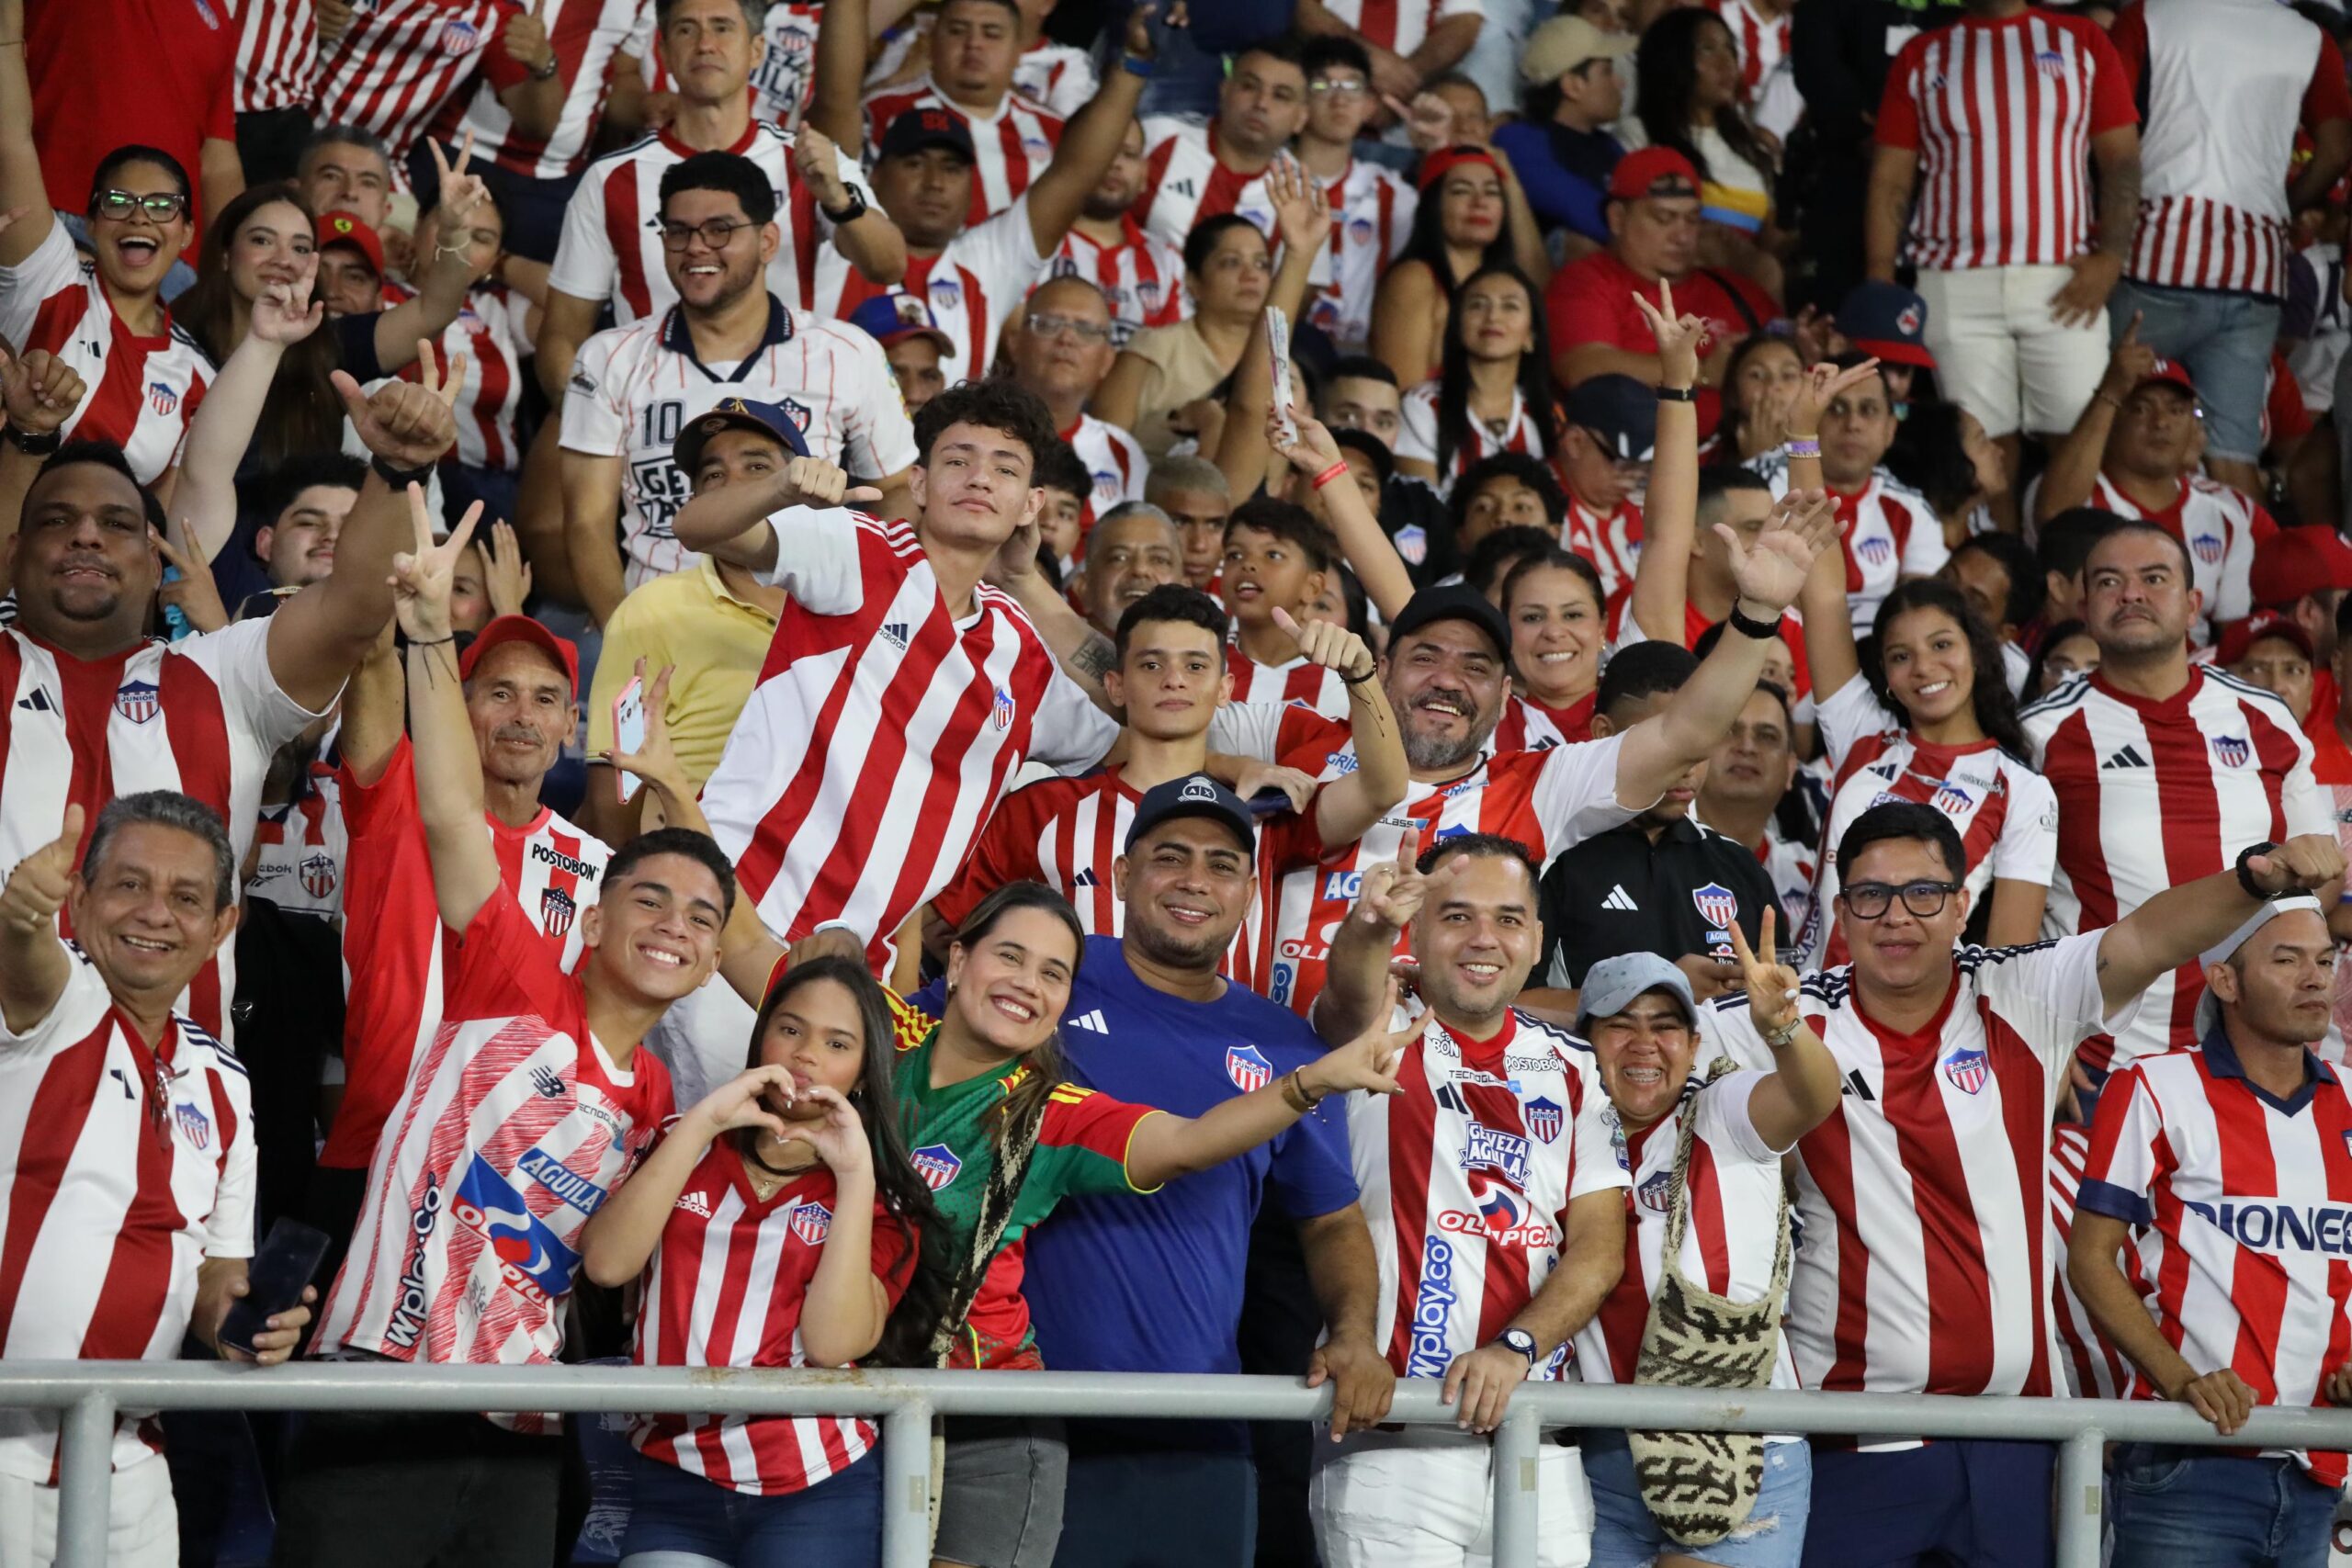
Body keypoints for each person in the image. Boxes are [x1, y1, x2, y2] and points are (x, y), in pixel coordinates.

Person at [280, 494, 735, 1568]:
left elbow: (615, 1264)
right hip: (387, 1364)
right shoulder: (515, 968)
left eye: (698, 922)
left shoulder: (658, 1097)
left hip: (522, 1410)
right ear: (593, 920)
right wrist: (431, 627)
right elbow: (445, 809)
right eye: (649, 906)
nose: (672, 929)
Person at [1707, 800, 2340, 1568]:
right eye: (1871, 895)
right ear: (1841, 911)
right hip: (1852, 1437)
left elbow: (2148, 936)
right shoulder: (1776, 1012)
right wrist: (1665, 982)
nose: (1897, 916)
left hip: (2015, 1439)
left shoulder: (2020, 989)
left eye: (1924, 893)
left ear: (1962, 904)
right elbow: (1631, 1041)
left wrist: (2253, 877)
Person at [0, 341, 456, 1040]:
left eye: (118, 523)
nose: (87, 534)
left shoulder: (220, 674)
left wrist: (394, 474)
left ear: (158, 563)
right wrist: (27, 438)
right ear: (14, 552)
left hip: (175, 1103)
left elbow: (355, 606)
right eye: (56, 521)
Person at [673, 380, 1120, 989]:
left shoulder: (1021, 652)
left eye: (1005, 468)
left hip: (857, 985)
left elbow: (1130, 709)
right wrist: (779, 488)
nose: (979, 478)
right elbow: (696, 526)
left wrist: (1026, 582)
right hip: (724, 919)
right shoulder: (860, 552)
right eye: (957, 460)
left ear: (1031, 504)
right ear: (917, 484)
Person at [0, 794, 314, 1568]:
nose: (155, 914)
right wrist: (18, 920)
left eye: (185, 897)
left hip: (133, 1466)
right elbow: (27, 969)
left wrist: (247, 1329)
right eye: (128, 885)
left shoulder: (226, 1082)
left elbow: (217, 1278)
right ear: (79, 899)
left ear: (220, 931)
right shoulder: (54, 1004)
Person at [1307, 832, 1632, 1568]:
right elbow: (1350, 990)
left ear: (1538, 938)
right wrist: (1368, 925)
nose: (1485, 938)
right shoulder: (1376, 1028)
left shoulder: (1577, 1068)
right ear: (1417, 928)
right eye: (1456, 915)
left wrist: (1516, 1348)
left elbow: (1599, 1247)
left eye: (1509, 918)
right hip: (1391, 1445)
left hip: (1538, 1443)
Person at [577, 958, 936, 1568]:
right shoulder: (681, 1138)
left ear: (864, 1071)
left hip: (818, 1485)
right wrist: (705, 1122)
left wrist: (852, 1173)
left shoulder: (884, 1199)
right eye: (791, 1029)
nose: (807, 1054)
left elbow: (831, 1343)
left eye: (837, 1042)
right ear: (762, 1036)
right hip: (672, 1471)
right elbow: (607, 1265)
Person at [2072, 885, 2352, 1568]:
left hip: (2321, 1465)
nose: (2315, 976)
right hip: (2188, 1466)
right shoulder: (2154, 1086)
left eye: (2326, 958)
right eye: (2287, 960)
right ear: (2224, 978)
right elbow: (2090, 1258)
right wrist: (2180, 1378)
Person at [316, 603, 614, 1237]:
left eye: (544, 698)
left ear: (570, 725)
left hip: (511, 1189)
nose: (522, 716)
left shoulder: (600, 872)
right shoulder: (399, 800)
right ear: (458, 710)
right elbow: (370, 668)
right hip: (375, 1155)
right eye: (500, 693)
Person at [2021, 520, 2334, 1099]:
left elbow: (2321, 870)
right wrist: (2037, 1041)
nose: (2132, 593)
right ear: (2085, 608)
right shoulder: (2041, 733)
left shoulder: (2265, 718)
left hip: (2253, 1061)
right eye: (2110, 581)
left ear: (2194, 605)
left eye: (2153, 578)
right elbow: (2014, 905)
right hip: (2098, 1063)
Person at [932, 582, 1406, 946]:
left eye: (1196, 666)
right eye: (1152, 665)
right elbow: (948, 928)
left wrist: (1359, 676)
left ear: (1226, 689)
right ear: (1116, 686)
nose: (1175, 680)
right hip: (1077, 1071)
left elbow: (1384, 789)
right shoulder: (1043, 809)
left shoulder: (1266, 812)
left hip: (1224, 1064)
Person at [1575, 931, 1840, 1568]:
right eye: (1620, 1025)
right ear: (1584, 1041)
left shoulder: (1722, 1111)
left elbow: (1813, 1096)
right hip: (1600, 1453)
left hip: (1736, 1444)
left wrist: (1782, 1030)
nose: (1644, 1043)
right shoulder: (1558, 1132)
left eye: (1666, 1026)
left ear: (1695, 1045)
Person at [559, 152, 919, 622]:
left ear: (768, 240)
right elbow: (587, 524)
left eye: (719, 230)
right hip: (666, 629)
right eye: (679, 231)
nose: (696, 247)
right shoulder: (608, 357)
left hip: (803, 638)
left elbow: (897, 492)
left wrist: (862, 611)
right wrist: (627, 635)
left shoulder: (847, 352)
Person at [539, 0, 901, 397]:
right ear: (663, 52)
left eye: (723, 27)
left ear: (757, 50)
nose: (705, 44)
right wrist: (592, 422)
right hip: (652, 426)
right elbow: (562, 336)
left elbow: (888, 265)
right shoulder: (609, 180)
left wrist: (837, 197)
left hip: (787, 422)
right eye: (686, 30)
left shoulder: (809, 160)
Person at [811, 0, 1168, 376]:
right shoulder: (834, 236)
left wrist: (1134, 61)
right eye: (914, 164)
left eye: (952, 169)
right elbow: (835, 100)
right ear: (874, 175)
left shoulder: (985, 263)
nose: (935, 184)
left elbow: (1076, 174)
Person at [1864, 0, 2141, 485]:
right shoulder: (1921, 55)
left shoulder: (2083, 41)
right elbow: (1891, 180)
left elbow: (2121, 161)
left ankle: (2067, 560)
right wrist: (1880, 282)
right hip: (1952, 282)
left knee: (2082, 440)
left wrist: (2112, 259)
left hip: (2065, 281)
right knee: (1980, 454)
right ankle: (2000, 560)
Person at [2105, 0, 2352, 504]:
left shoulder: (2148, 16)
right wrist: (2283, 208)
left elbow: (2110, 132)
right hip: (2254, 270)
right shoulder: (2307, 37)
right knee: (2232, 454)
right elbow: (2335, 149)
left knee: (2111, 428)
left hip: (2157, 257)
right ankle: (2251, 579)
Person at [1792, 536, 2055, 969]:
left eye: (1941, 645)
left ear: (1977, 651)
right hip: (1808, 1006)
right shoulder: (1862, 733)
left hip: (1917, 1025)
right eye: (1900, 655)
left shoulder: (2024, 789)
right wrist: (1803, 465)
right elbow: (1822, 594)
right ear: (1887, 676)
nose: (1924, 668)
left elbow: (2010, 965)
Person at [1531, 641, 1780, 1010]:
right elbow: (1513, 1004)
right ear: (1603, 733)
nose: (1686, 762)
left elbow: (1782, 1002)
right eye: (1667, 742)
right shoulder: (1553, 856)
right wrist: (1662, 993)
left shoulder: (1740, 866)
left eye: (1701, 741)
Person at [0, 57, 209, 490]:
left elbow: (164, 517)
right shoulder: (50, 280)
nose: (139, 218)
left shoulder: (198, 376)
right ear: (91, 222)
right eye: (118, 201)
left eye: (161, 205)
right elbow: (11, 140)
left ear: (186, 232)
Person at [2033, 331, 2277, 642]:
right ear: (2113, 416)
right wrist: (2110, 391)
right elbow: (2054, 517)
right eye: (2141, 408)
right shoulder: (2077, 492)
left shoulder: (2226, 514)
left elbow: (2235, 632)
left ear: (2193, 423)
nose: (2161, 423)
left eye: (2176, 410)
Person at [1545, 148, 1780, 446]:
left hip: (1745, 459)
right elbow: (1583, 368)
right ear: (1617, 218)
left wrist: (1805, 351)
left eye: (1692, 220)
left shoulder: (1737, 290)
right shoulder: (1585, 282)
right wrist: (1701, 371)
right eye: (1664, 218)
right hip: (1634, 468)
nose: (1682, 236)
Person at [1096, 180, 1327, 466]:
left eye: (1261, 264)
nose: (1250, 275)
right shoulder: (1151, 349)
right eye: (1231, 262)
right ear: (1193, 282)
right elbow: (1101, 449)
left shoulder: (1285, 367)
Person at [1755, 355, 1949, 632]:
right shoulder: (1763, 488)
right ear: (1811, 418)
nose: (1853, 424)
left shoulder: (1911, 506)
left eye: (1868, 410)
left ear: (1890, 429)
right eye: (1836, 408)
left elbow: (1923, 607)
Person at [23, 0, 242, 241]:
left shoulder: (217, 14)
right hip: (56, 215)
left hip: (171, 245)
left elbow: (218, 158)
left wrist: (227, 252)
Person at [859, 0, 1065, 226]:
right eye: (957, 31)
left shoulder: (1056, 131)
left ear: (1018, 52)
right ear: (933, 42)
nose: (974, 43)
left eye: (992, 34)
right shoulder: (882, 112)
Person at [1626, 7, 1782, 294]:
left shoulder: (1752, 148)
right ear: (1672, 60)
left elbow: (1769, 240)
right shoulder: (1639, 136)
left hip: (1743, 289)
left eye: (1730, 49)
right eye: (1708, 50)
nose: (1727, 63)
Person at [1373, 144, 1552, 390]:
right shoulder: (1413, 279)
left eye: (1492, 192)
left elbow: (1543, 289)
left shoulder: (1509, 280)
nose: (1480, 203)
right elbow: (1401, 390)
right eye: (1461, 191)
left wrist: (1512, 183)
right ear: (1433, 204)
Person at [1292, 38, 1419, 355]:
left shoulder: (1392, 192)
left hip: (1359, 357)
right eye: (1322, 85)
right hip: (1272, 346)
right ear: (1299, 102)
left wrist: (1437, 149)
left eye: (1353, 87)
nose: (1340, 100)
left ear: (1369, 107)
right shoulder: (1263, 181)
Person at [1396, 264, 1563, 493]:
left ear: (1531, 336)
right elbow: (1422, 514)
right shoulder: (1422, 406)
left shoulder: (1548, 417)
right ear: (1458, 327)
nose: (1493, 316)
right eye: (1478, 305)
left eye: (1510, 306)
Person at [1128, 38, 1309, 248]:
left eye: (1281, 96)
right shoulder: (1156, 137)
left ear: (1301, 118)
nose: (1261, 104)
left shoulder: (1303, 195)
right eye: (1249, 86)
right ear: (1224, 89)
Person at [1007, 276, 1147, 532]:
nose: (1067, 338)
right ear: (1015, 344)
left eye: (1087, 330)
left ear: (1106, 360)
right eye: (1049, 324)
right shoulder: (971, 432)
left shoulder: (1122, 452)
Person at [1043, 115, 1190, 349]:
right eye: (1104, 148)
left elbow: (1172, 361)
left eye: (1129, 154)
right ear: (1063, 158)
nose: (1115, 163)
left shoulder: (1169, 262)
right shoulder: (1029, 241)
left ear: (1144, 175)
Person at [1492, 16, 1631, 248]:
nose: (1620, 83)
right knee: (1580, 243)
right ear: (1572, 85)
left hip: (1620, 267)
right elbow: (1576, 209)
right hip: (1541, 276)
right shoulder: (1517, 140)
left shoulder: (1608, 145)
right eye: (1607, 72)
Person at [1555, 375, 1653, 604]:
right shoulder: (1533, 506)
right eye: (1624, 464)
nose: (1635, 478)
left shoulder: (1648, 505)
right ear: (1574, 442)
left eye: (1645, 467)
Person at [1500, 547, 1608, 744]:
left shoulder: (1640, 716)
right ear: (1508, 632)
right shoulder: (1483, 727)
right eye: (1532, 617)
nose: (1553, 632)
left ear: (1602, 629)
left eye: (1573, 615)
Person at [1070, 502, 1183, 637]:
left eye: (1159, 560)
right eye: (1120, 558)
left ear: (1185, 588)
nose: (1140, 569)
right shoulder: (1046, 656)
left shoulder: (1211, 654)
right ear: (1083, 588)